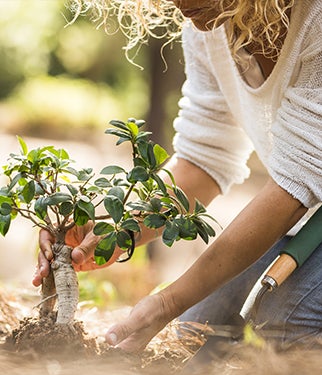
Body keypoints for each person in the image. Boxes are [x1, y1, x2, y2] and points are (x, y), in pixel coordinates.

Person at [33, 0, 322, 353]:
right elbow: (204, 159)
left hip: (304, 206)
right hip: (309, 215)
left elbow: (293, 187)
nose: (179, 3)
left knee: (287, 325)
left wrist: (169, 303)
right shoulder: (210, 28)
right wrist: (118, 228)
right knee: (196, 329)